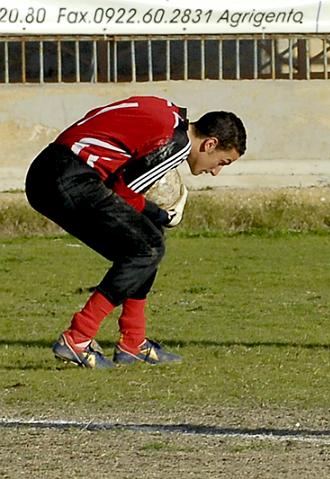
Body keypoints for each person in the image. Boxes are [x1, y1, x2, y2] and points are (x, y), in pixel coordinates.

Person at [25, 96, 246, 368]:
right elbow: (124, 192)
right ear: (210, 144)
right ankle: (78, 337)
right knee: (147, 247)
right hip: (67, 177)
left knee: (147, 241)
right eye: (222, 162)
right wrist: (162, 214)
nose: (216, 172)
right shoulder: (176, 143)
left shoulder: (170, 113)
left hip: (53, 170)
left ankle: (133, 341)